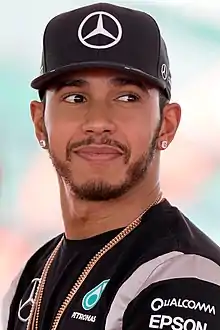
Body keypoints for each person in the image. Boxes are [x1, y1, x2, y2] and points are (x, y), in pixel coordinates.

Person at [2, 2, 220, 330]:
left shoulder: (189, 280)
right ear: (39, 123)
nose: (99, 122)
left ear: (167, 125)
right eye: (75, 98)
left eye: (127, 98)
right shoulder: (31, 276)